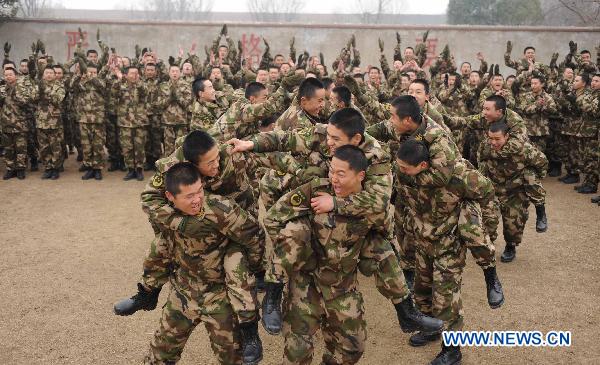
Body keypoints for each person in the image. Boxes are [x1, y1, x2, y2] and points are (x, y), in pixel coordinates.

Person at [264, 145, 444, 365]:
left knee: (352, 347)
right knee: (298, 353)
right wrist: (298, 252)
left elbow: (384, 234)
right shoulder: (316, 190)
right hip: (306, 282)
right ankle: (271, 296)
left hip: (341, 283)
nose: (334, 178)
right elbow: (273, 218)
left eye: (341, 174)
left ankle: (406, 311)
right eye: (332, 171)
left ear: (360, 176)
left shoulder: (371, 205)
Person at [118, 162, 264, 365]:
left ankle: (249, 329)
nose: (197, 200)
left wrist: (258, 270)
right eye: (189, 196)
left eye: (199, 191)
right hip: (184, 290)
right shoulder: (166, 216)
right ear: (170, 197)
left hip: (220, 294)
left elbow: (254, 235)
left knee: (234, 359)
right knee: (159, 355)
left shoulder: (221, 209)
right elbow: (161, 250)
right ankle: (145, 295)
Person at [479, 121, 548, 262]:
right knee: (487, 220)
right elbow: (481, 162)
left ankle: (510, 246)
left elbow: (542, 162)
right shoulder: (485, 146)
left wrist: (532, 181)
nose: (493, 142)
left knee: (513, 224)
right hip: (494, 189)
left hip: (515, 191)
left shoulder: (523, 149)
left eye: (497, 139)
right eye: (490, 138)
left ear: (507, 136)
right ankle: (486, 245)